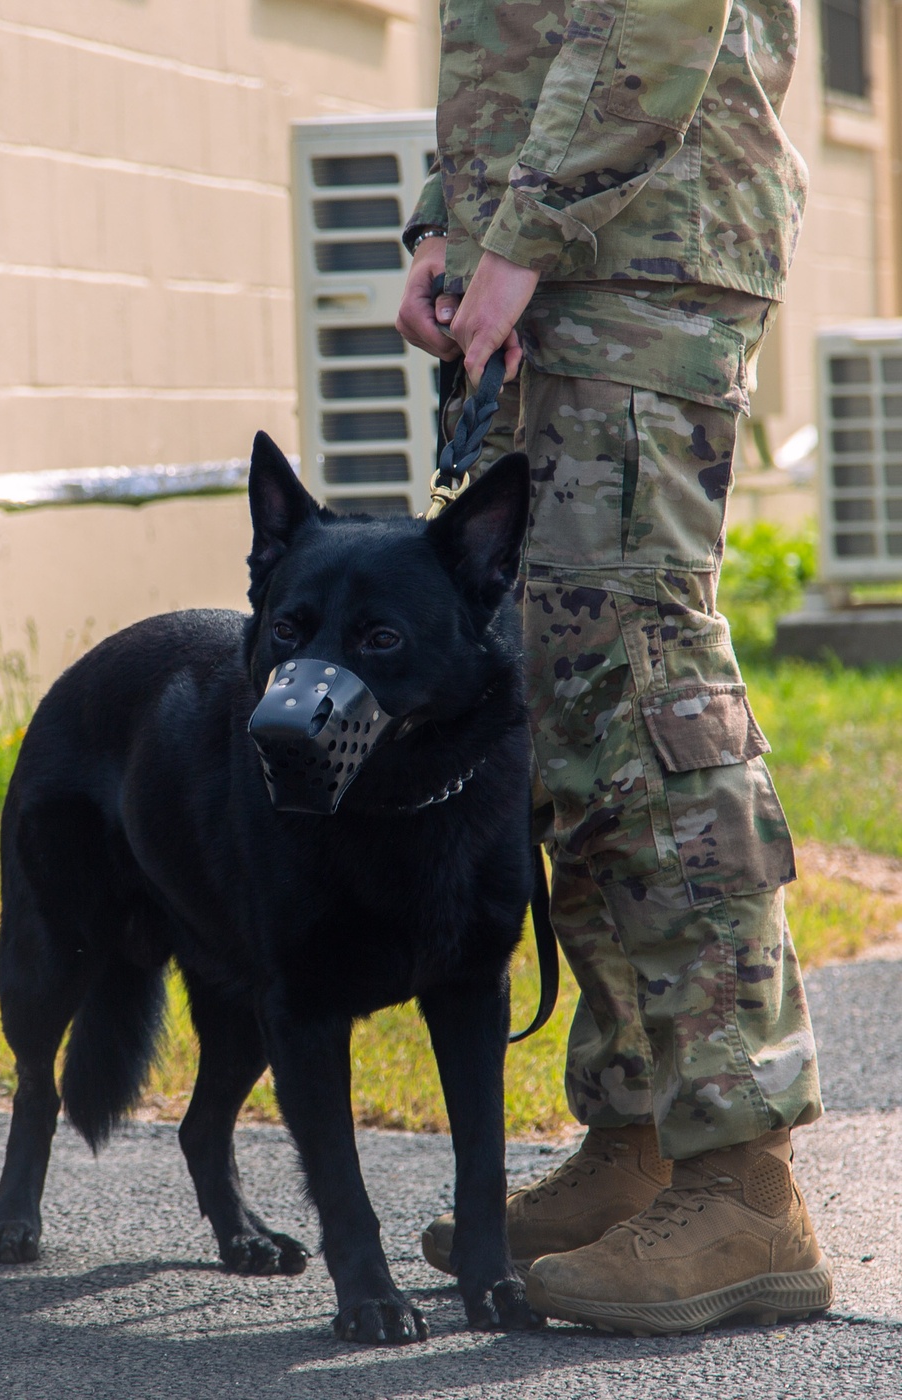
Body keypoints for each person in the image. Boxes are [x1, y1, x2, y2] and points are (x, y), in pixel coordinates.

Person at [396, 0, 833, 1335]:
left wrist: (519, 235)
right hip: (556, 257)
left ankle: (742, 1177)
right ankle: (642, 1136)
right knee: (560, 697)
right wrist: (446, 225)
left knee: (644, 684)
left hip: (640, 256)